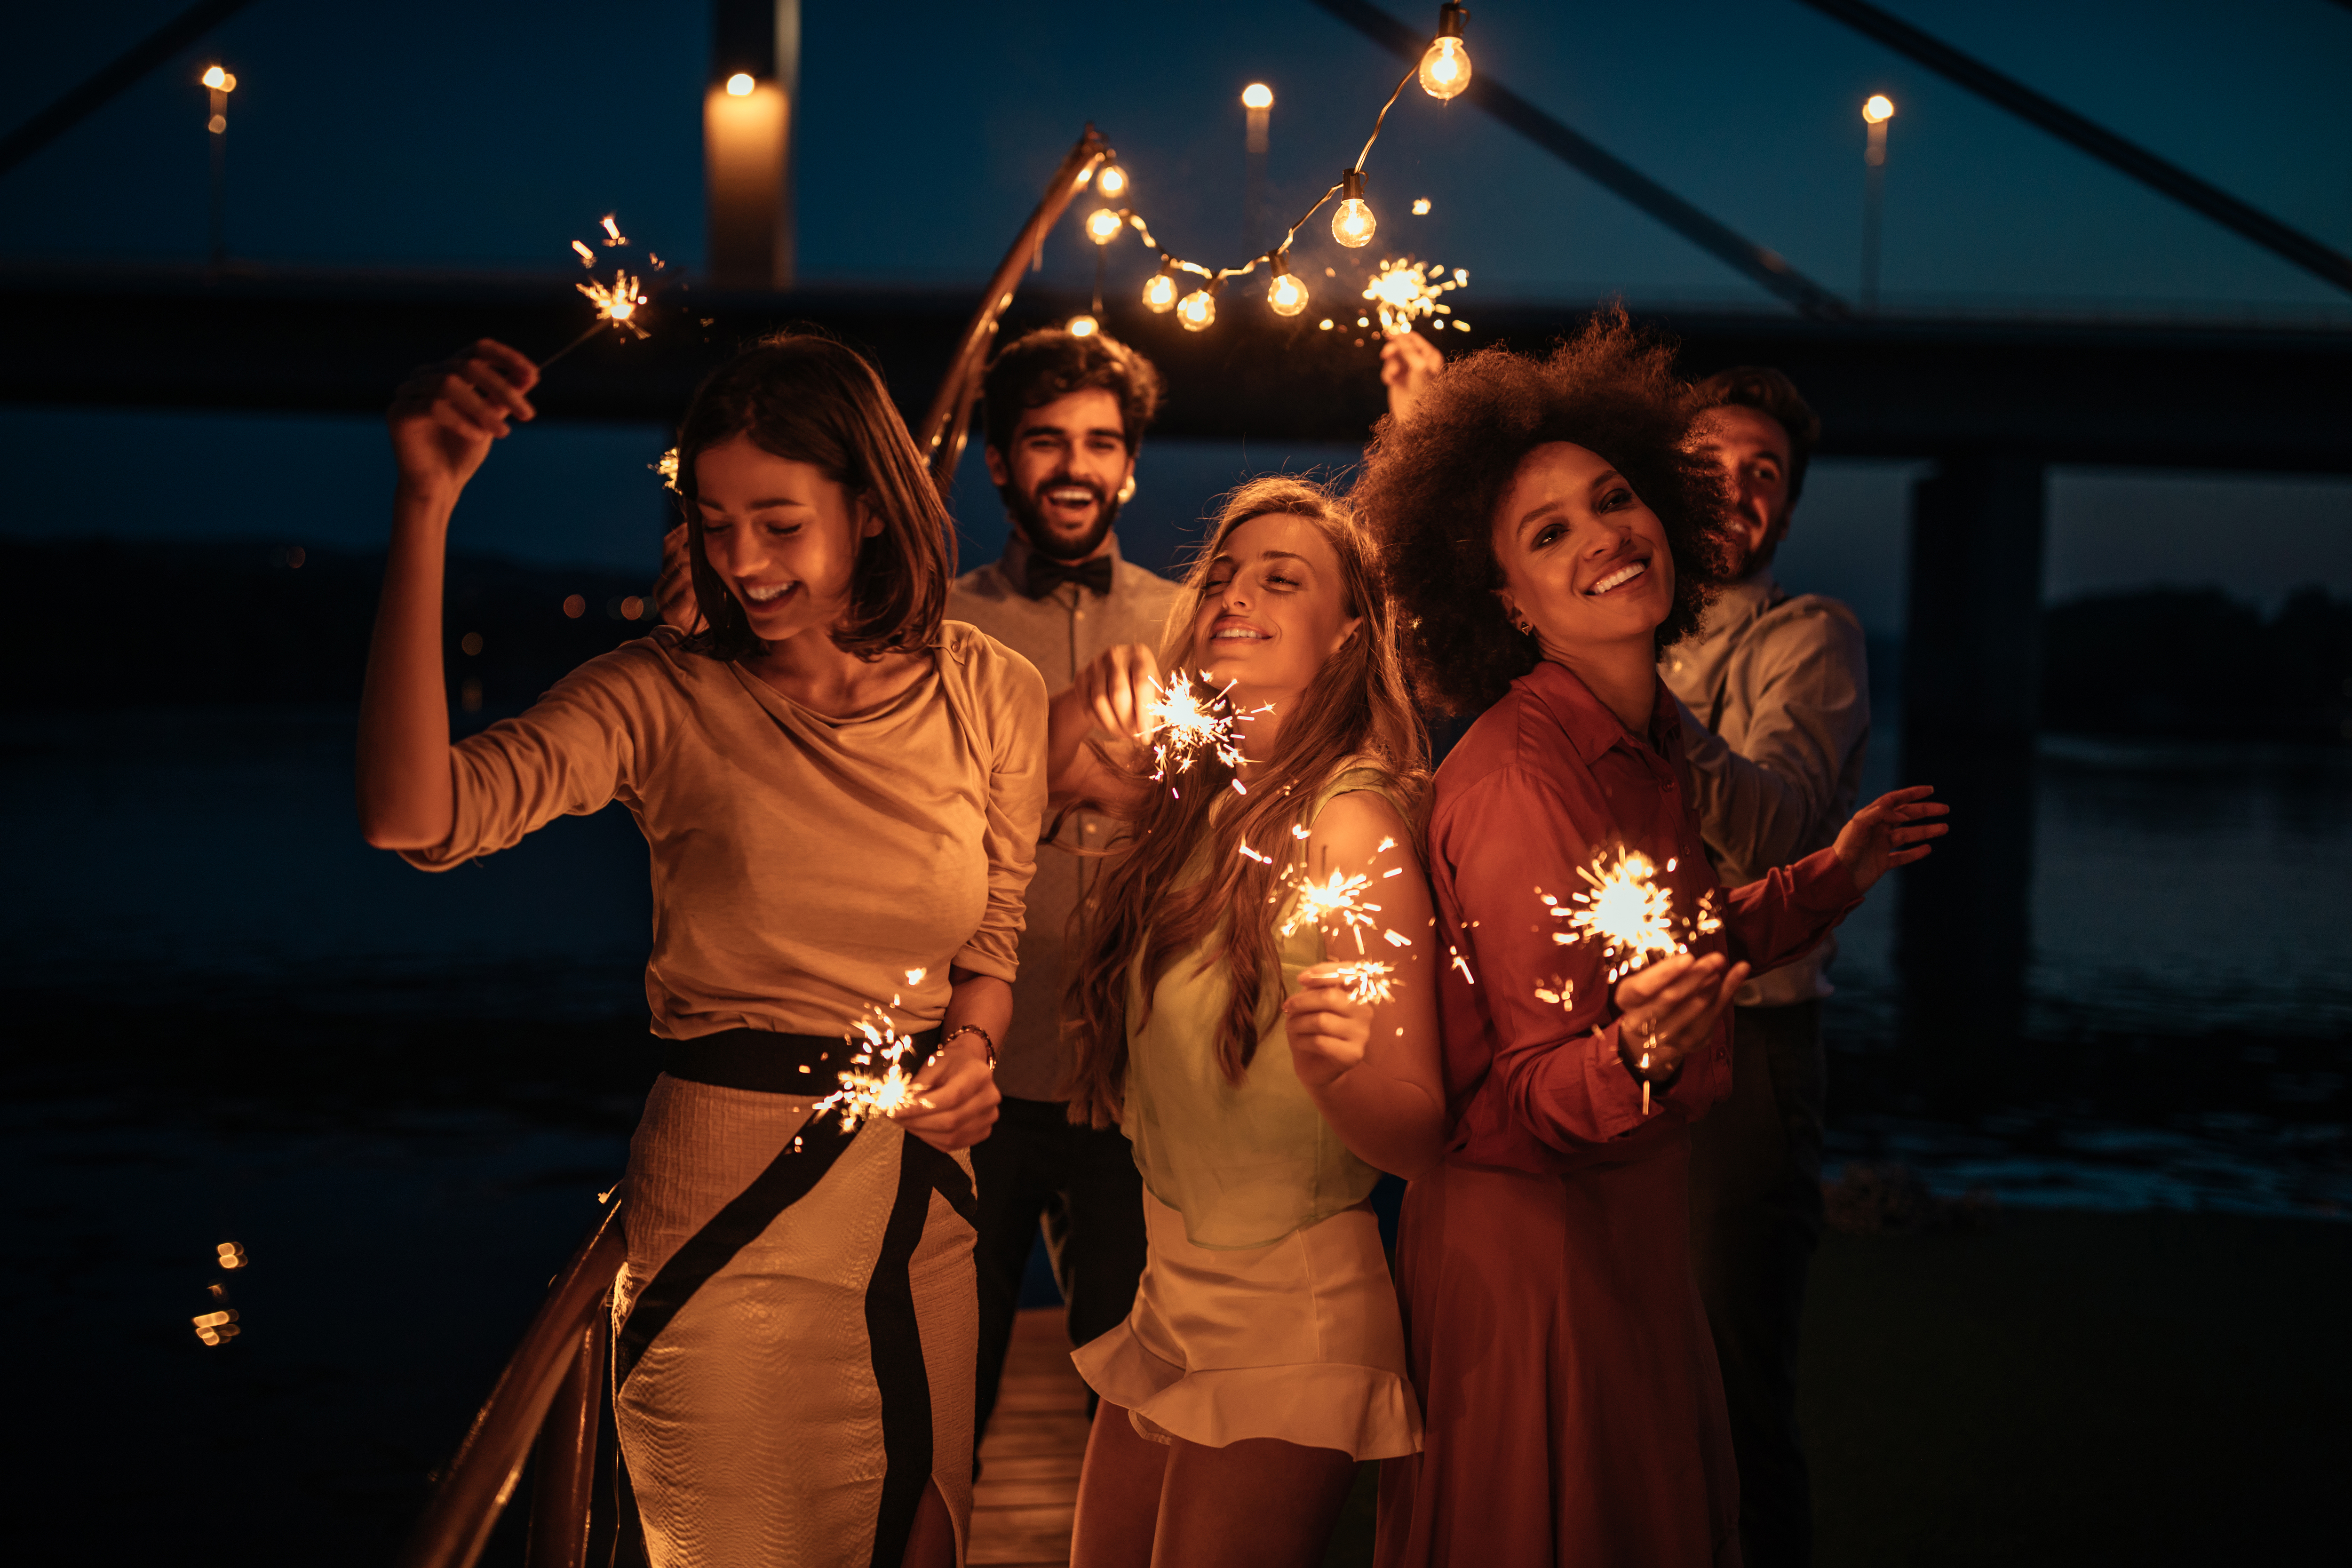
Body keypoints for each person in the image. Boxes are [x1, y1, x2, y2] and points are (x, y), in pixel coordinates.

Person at [358, 333, 1041, 1568]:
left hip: (925, 1220)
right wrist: (426, 505)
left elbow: (994, 930)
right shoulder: (658, 697)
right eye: (715, 522)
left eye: (778, 522)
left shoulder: (990, 688)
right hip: (729, 1229)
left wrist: (978, 1048)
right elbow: (417, 816)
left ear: (875, 511)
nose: (740, 561)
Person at [1354, 315, 1946, 1567]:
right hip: (1539, 1259)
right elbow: (1523, 1080)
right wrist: (1633, 1057)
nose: (1606, 533)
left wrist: (1819, 883)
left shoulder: (1645, 744)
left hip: (1621, 1217)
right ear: (1500, 599)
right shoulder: (1522, 777)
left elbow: (1678, 942)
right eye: (1549, 531)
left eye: (1615, 497)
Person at [1051, 477, 1445, 1568]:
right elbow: (983, 825)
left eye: (1282, 578)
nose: (1234, 593)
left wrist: (1339, 1073)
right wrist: (1065, 737)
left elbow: (1420, 1132)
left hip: (1292, 1317)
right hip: (1169, 1297)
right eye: (1222, 573)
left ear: (1350, 632)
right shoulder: (1194, 804)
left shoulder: (1351, 822)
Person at [946, 328, 1184, 1442]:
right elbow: (920, 841)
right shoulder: (933, 629)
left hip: (1139, 1081)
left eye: (1100, 442)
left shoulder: (1194, 626)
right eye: (1045, 442)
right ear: (998, 460)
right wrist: (1060, 743)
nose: (1076, 466)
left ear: (1130, 463)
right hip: (968, 1071)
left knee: (1135, 1409)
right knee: (943, 1395)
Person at [1670, 366, 1869, 1568]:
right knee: (1618, 1383)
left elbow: (1776, 830)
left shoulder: (1811, 637)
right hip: (1602, 1043)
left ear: (1785, 512)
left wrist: (1619, 667)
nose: (1736, 493)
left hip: (1747, 1057)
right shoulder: (1607, 629)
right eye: (1708, 467)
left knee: (1729, 1396)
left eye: (1764, 476)